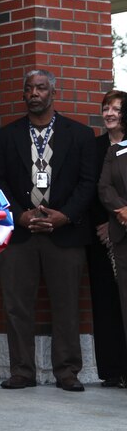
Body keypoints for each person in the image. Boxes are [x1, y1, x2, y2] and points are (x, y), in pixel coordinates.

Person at [0, 69, 95, 392]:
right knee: (16, 304)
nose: (35, 93)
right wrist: (19, 216)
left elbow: (87, 182)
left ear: (53, 93)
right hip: (21, 233)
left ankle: (67, 371)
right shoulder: (6, 136)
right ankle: (22, 370)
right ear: (24, 95)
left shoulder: (80, 134)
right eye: (29, 88)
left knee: (66, 304)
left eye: (41, 88)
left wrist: (65, 216)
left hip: (65, 233)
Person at [89, 90, 127, 388]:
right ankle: (112, 370)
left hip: (123, 228)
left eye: (116, 108)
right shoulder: (95, 147)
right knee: (106, 303)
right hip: (101, 234)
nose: (110, 113)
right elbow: (92, 188)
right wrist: (104, 223)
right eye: (106, 108)